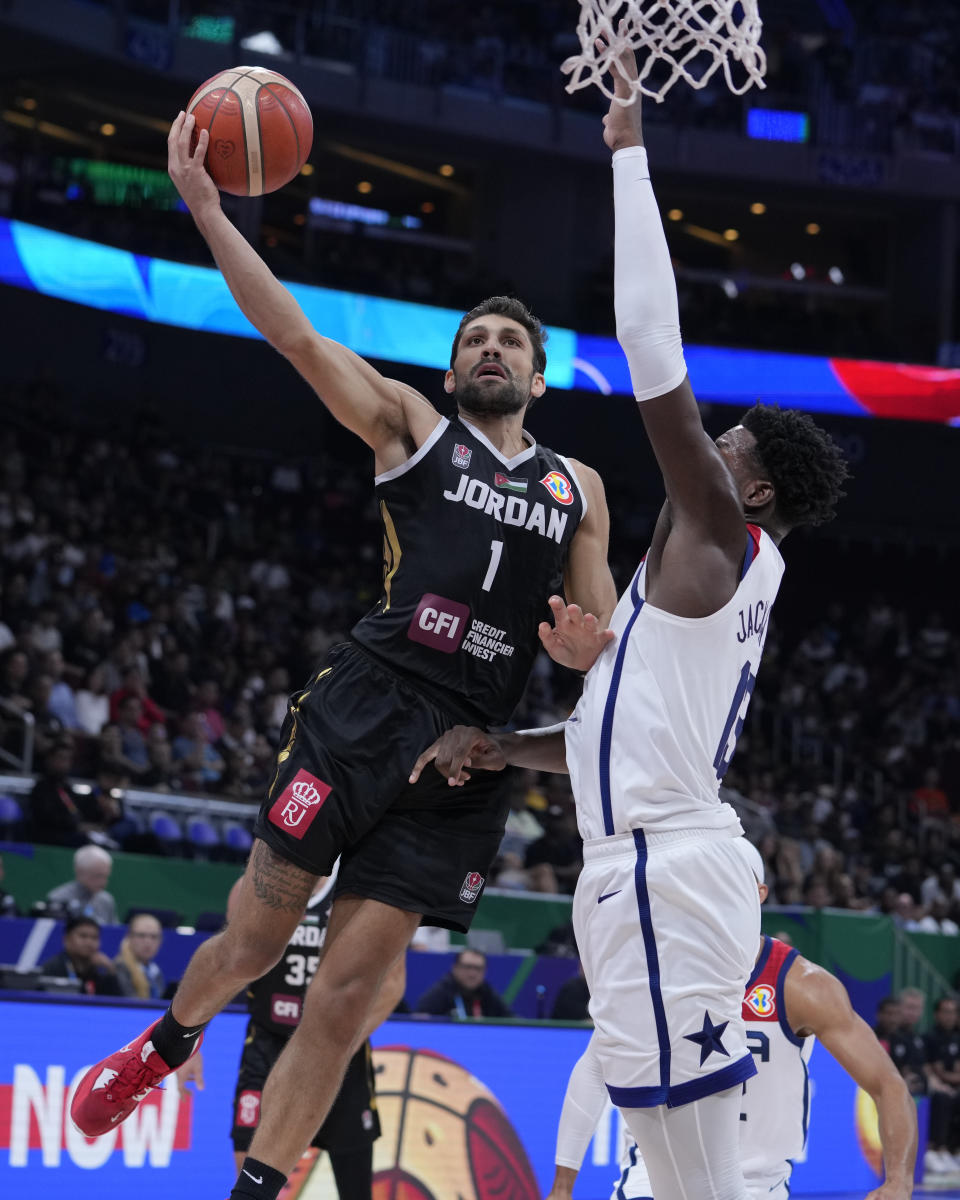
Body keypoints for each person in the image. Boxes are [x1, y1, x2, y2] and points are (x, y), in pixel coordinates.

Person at [71, 106, 617, 1200]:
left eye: (510, 342)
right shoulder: (413, 427)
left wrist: (588, 640)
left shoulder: (578, 488)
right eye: (474, 339)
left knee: (351, 993)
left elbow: (601, 637)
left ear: (542, 380)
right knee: (256, 944)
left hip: (468, 753)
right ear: (453, 368)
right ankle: (165, 1046)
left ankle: (254, 1190)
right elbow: (296, 337)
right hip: (368, 704)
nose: (490, 349)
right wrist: (209, 212)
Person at [410, 45, 848, 1200]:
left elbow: (653, 350)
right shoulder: (704, 580)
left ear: (749, 488)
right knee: (669, 1168)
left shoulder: (718, 528)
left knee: (685, 1175)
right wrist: (512, 746)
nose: (715, 450)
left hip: (663, 865)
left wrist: (627, 154)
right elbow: (624, 732)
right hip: (649, 859)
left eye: (733, 447)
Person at [544, 842, 916, 1200]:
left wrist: (898, 1181)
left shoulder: (802, 985)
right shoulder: (654, 969)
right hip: (656, 1172)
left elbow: (887, 1084)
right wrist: (563, 1184)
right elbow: (595, 1068)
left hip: (757, 1183)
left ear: (758, 893)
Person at [227, 870, 381, 1199]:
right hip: (268, 1040)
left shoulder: (358, 889)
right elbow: (229, 965)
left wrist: (338, 1046)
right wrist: (193, 1040)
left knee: (354, 1184)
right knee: (248, 1164)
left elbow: (392, 985)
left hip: (339, 1049)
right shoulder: (250, 887)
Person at [414, 948, 511, 1018]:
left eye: (478, 969)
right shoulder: (441, 991)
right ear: (455, 968)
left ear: (485, 972)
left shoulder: (487, 992)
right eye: (467, 967)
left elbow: (513, 1020)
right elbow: (421, 1019)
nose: (472, 974)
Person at [40, 914, 122, 996]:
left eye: (94, 938)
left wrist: (111, 970)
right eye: (83, 936)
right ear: (67, 940)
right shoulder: (52, 969)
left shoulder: (101, 972)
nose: (89, 943)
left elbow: (117, 1004)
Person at [924, 995, 960, 1175]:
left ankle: (954, 1150)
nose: (950, 1016)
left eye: (953, 1012)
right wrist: (948, 1077)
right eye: (946, 1012)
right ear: (937, 1014)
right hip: (936, 1087)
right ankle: (936, 1149)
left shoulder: (956, 1037)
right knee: (943, 1098)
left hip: (954, 1085)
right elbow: (935, 1070)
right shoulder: (930, 1037)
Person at [46, 843, 118, 924]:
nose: (103, 882)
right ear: (79, 872)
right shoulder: (59, 898)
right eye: (98, 876)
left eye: (106, 877)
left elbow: (114, 933)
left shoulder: (107, 901)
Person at [114, 912, 166, 999]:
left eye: (154, 937)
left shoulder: (155, 971)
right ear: (129, 937)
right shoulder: (119, 968)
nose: (148, 942)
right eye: (141, 935)